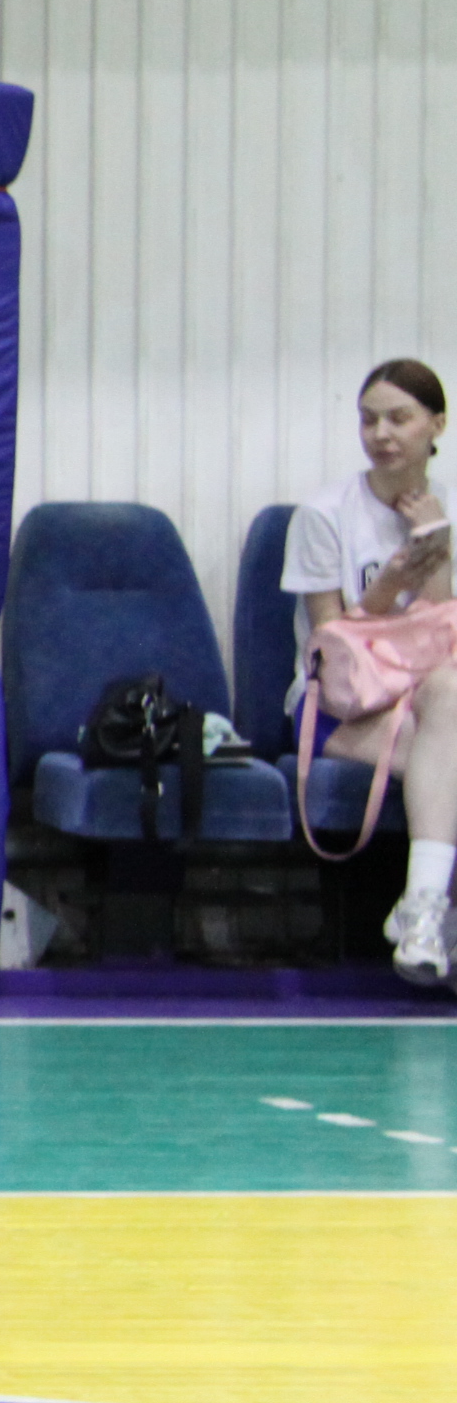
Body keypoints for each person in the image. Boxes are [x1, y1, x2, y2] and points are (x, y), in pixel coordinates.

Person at [286, 356, 457, 983]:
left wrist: (436, 542)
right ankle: (428, 913)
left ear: (436, 424)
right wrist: (386, 586)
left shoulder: (450, 506)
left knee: (450, 691)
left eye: (398, 419)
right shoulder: (324, 513)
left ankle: (423, 910)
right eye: (368, 420)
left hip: (433, 697)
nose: (380, 434)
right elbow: (328, 643)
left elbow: (443, 633)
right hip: (340, 705)